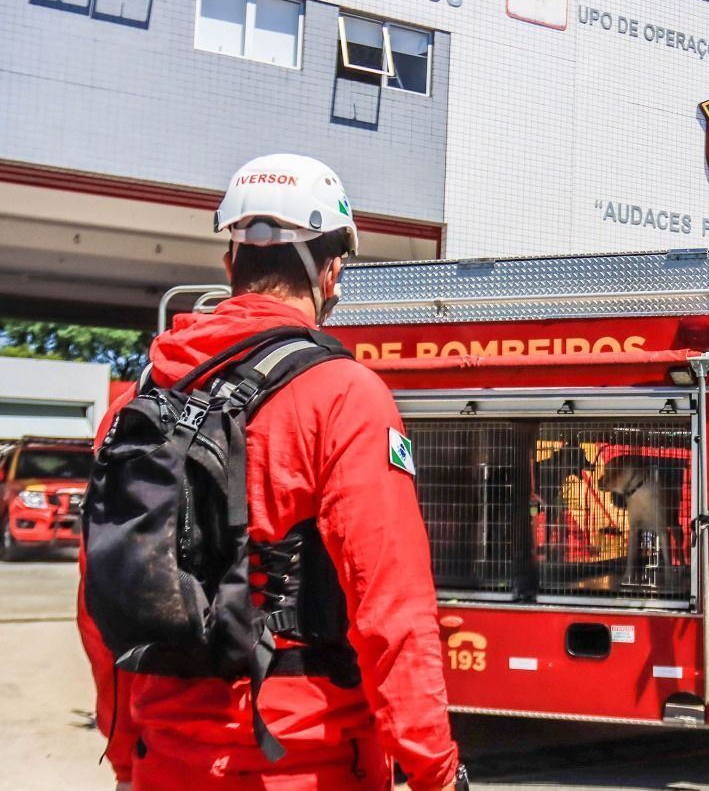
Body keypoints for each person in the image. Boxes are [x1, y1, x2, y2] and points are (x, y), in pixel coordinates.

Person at [77, 154, 462, 790]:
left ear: (231, 264)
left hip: (162, 764)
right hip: (309, 764)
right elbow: (392, 605)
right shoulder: (344, 395)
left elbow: (101, 603)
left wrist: (125, 757)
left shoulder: (136, 405)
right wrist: (434, 771)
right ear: (332, 272)